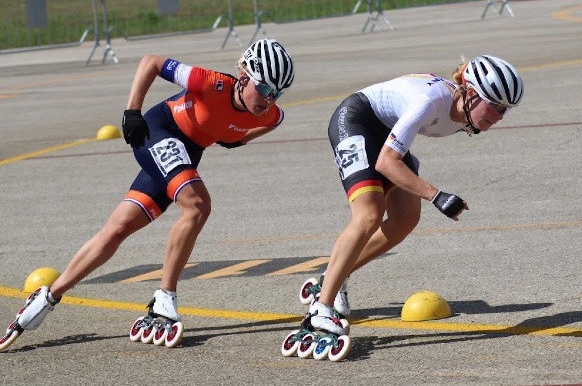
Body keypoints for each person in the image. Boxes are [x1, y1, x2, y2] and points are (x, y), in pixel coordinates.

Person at [0, 38, 295, 351]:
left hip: (187, 153)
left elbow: (274, 121)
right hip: (160, 131)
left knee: (116, 230)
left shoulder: (269, 114)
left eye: (277, 93)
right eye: (264, 89)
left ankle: (47, 297)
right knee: (197, 206)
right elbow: (151, 62)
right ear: (245, 76)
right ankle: (164, 297)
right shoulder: (211, 83)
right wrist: (132, 111)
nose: (268, 99)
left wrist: (238, 139)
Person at [306, 55, 524, 334]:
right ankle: (319, 309)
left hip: (387, 131)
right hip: (356, 119)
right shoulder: (430, 103)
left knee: (406, 217)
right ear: (470, 93)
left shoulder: (464, 109)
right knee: (369, 214)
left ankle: (334, 277)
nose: (499, 116)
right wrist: (436, 195)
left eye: (506, 110)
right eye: (495, 106)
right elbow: (386, 162)